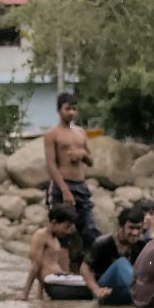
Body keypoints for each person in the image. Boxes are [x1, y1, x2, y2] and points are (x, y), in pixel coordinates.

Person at [43, 91, 99, 249]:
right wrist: (64, 190)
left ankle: (90, 269)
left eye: (74, 109)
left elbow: (91, 160)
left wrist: (82, 155)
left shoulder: (80, 132)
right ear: (59, 110)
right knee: (61, 231)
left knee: (89, 229)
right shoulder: (52, 134)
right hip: (62, 185)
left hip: (81, 185)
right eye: (68, 109)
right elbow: (51, 165)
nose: (72, 113)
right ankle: (57, 269)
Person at [82, 201, 154, 306]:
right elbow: (85, 268)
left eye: (138, 228)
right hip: (106, 290)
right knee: (121, 263)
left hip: (128, 291)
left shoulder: (142, 244)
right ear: (121, 227)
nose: (135, 233)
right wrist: (96, 290)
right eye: (131, 228)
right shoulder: (103, 243)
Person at [21, 205, 81, 300]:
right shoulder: (40, 235)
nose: (68, 231)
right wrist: (25, 294)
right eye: (66, 227)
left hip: (58, 280)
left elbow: (50, 261)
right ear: (53, 222)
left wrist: (40, 295)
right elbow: (35, 265)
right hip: (52, 283)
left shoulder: (55, 238)